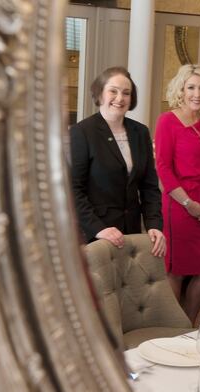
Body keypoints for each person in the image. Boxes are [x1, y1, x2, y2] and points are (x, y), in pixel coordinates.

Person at [70, 66, 165, 257]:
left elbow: (149, 186)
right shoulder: (82, 132)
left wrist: (154, 225)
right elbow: (73, 188)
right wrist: (98, 229)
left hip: (130, 232)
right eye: (113, 91)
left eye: (126, 93)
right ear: (99, 94)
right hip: (96, 235)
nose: (120, 98)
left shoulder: (140, 131)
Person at [154, 64, 200, 322]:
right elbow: (162, 168)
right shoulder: (167, 121)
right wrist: (188, 203)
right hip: (178, 206)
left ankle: (188, 322)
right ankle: (173, 328)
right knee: (177, 271)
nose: (197, 93)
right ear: (181, 90)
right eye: (191, 87)